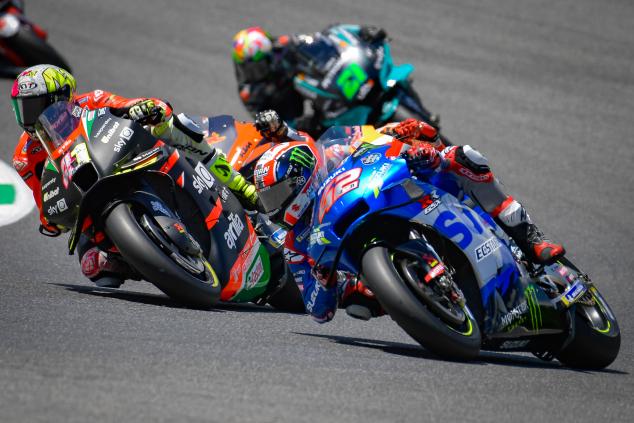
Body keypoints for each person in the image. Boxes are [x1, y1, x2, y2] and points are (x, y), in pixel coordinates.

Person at [253, 111, 565, 322]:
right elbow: (318, 311)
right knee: (359, 303)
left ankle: (529, 235)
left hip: (386, 196)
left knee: (462, 156)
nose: (273, 206)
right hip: (370, 279)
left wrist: (407, 142)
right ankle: (425, 302)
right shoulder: (294, 244)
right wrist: (324, 281)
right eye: (268, 200)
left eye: (275, 195)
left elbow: (369, 141)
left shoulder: (331, 159)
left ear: (301, 179)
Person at [11, 64, 259, 288]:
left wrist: (147, 108)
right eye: (24, 109)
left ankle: (236, 183)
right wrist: (53, 219)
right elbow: (44, 202)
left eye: (38, 106)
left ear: (63, 97)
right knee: (94, 267)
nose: (31, 117)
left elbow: (131, 104)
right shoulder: (25, 157)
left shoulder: (91, 101)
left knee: (174, 125)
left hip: (125, 158)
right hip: (89, 204)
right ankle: (150, 261)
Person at [231, 24, 387, 130]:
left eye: (256, 66)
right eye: (245, 67)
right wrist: (296, 125)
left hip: (324, 95)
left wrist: (360, 32)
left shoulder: (283, 46)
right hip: (294, 121)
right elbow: (268, 123)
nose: (251, 72)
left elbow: (324, 37)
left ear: (269, 56)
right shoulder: (250, 93)